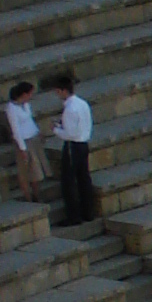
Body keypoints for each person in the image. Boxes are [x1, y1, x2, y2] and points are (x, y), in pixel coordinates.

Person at [50, 69, 96, 227]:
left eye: (58, 91)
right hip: (83, 143)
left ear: (63, 91)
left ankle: (74, 215)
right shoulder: (82, 104)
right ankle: (88, 212)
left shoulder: (69, 109)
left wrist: (55, 129)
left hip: (73, 145)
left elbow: (69, 133)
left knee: (69, 182)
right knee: (84, 179)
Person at [4, 79, 43, 201]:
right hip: (24, 142)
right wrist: (22, 148)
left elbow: (29, 120)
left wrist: (37, 131)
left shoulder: (26, 105)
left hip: (33, 138)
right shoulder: (11, 109)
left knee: (35, 171)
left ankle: (37, 195)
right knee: (25, 172)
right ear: (24, 94)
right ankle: (28, 197)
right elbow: (16, 130)